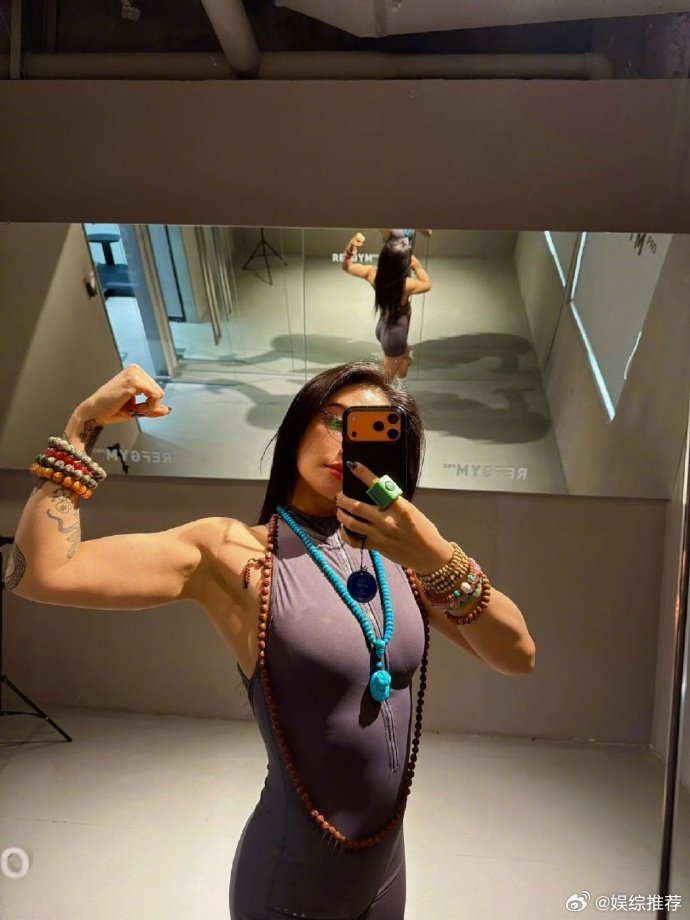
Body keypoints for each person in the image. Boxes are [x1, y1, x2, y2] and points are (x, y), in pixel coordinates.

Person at [6, 361, 535, 919]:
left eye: (374, 430)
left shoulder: (409, 560)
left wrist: (436, 556)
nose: (346, 443)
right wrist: (83, 426)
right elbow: (39, 574)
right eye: (335, 420)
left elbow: (518, 655)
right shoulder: (230, 553)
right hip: (289, 888)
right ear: (299, 424)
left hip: (386, 876)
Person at [342, 233, 431, 380]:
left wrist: (350, 248)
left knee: (402, 356)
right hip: (395, 334)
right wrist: (418, 267)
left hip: (384, 326)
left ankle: (403, 360)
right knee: (386, 379)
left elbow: (347, 266)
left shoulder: (373, 275)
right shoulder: (406, 285)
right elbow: (427, 285)